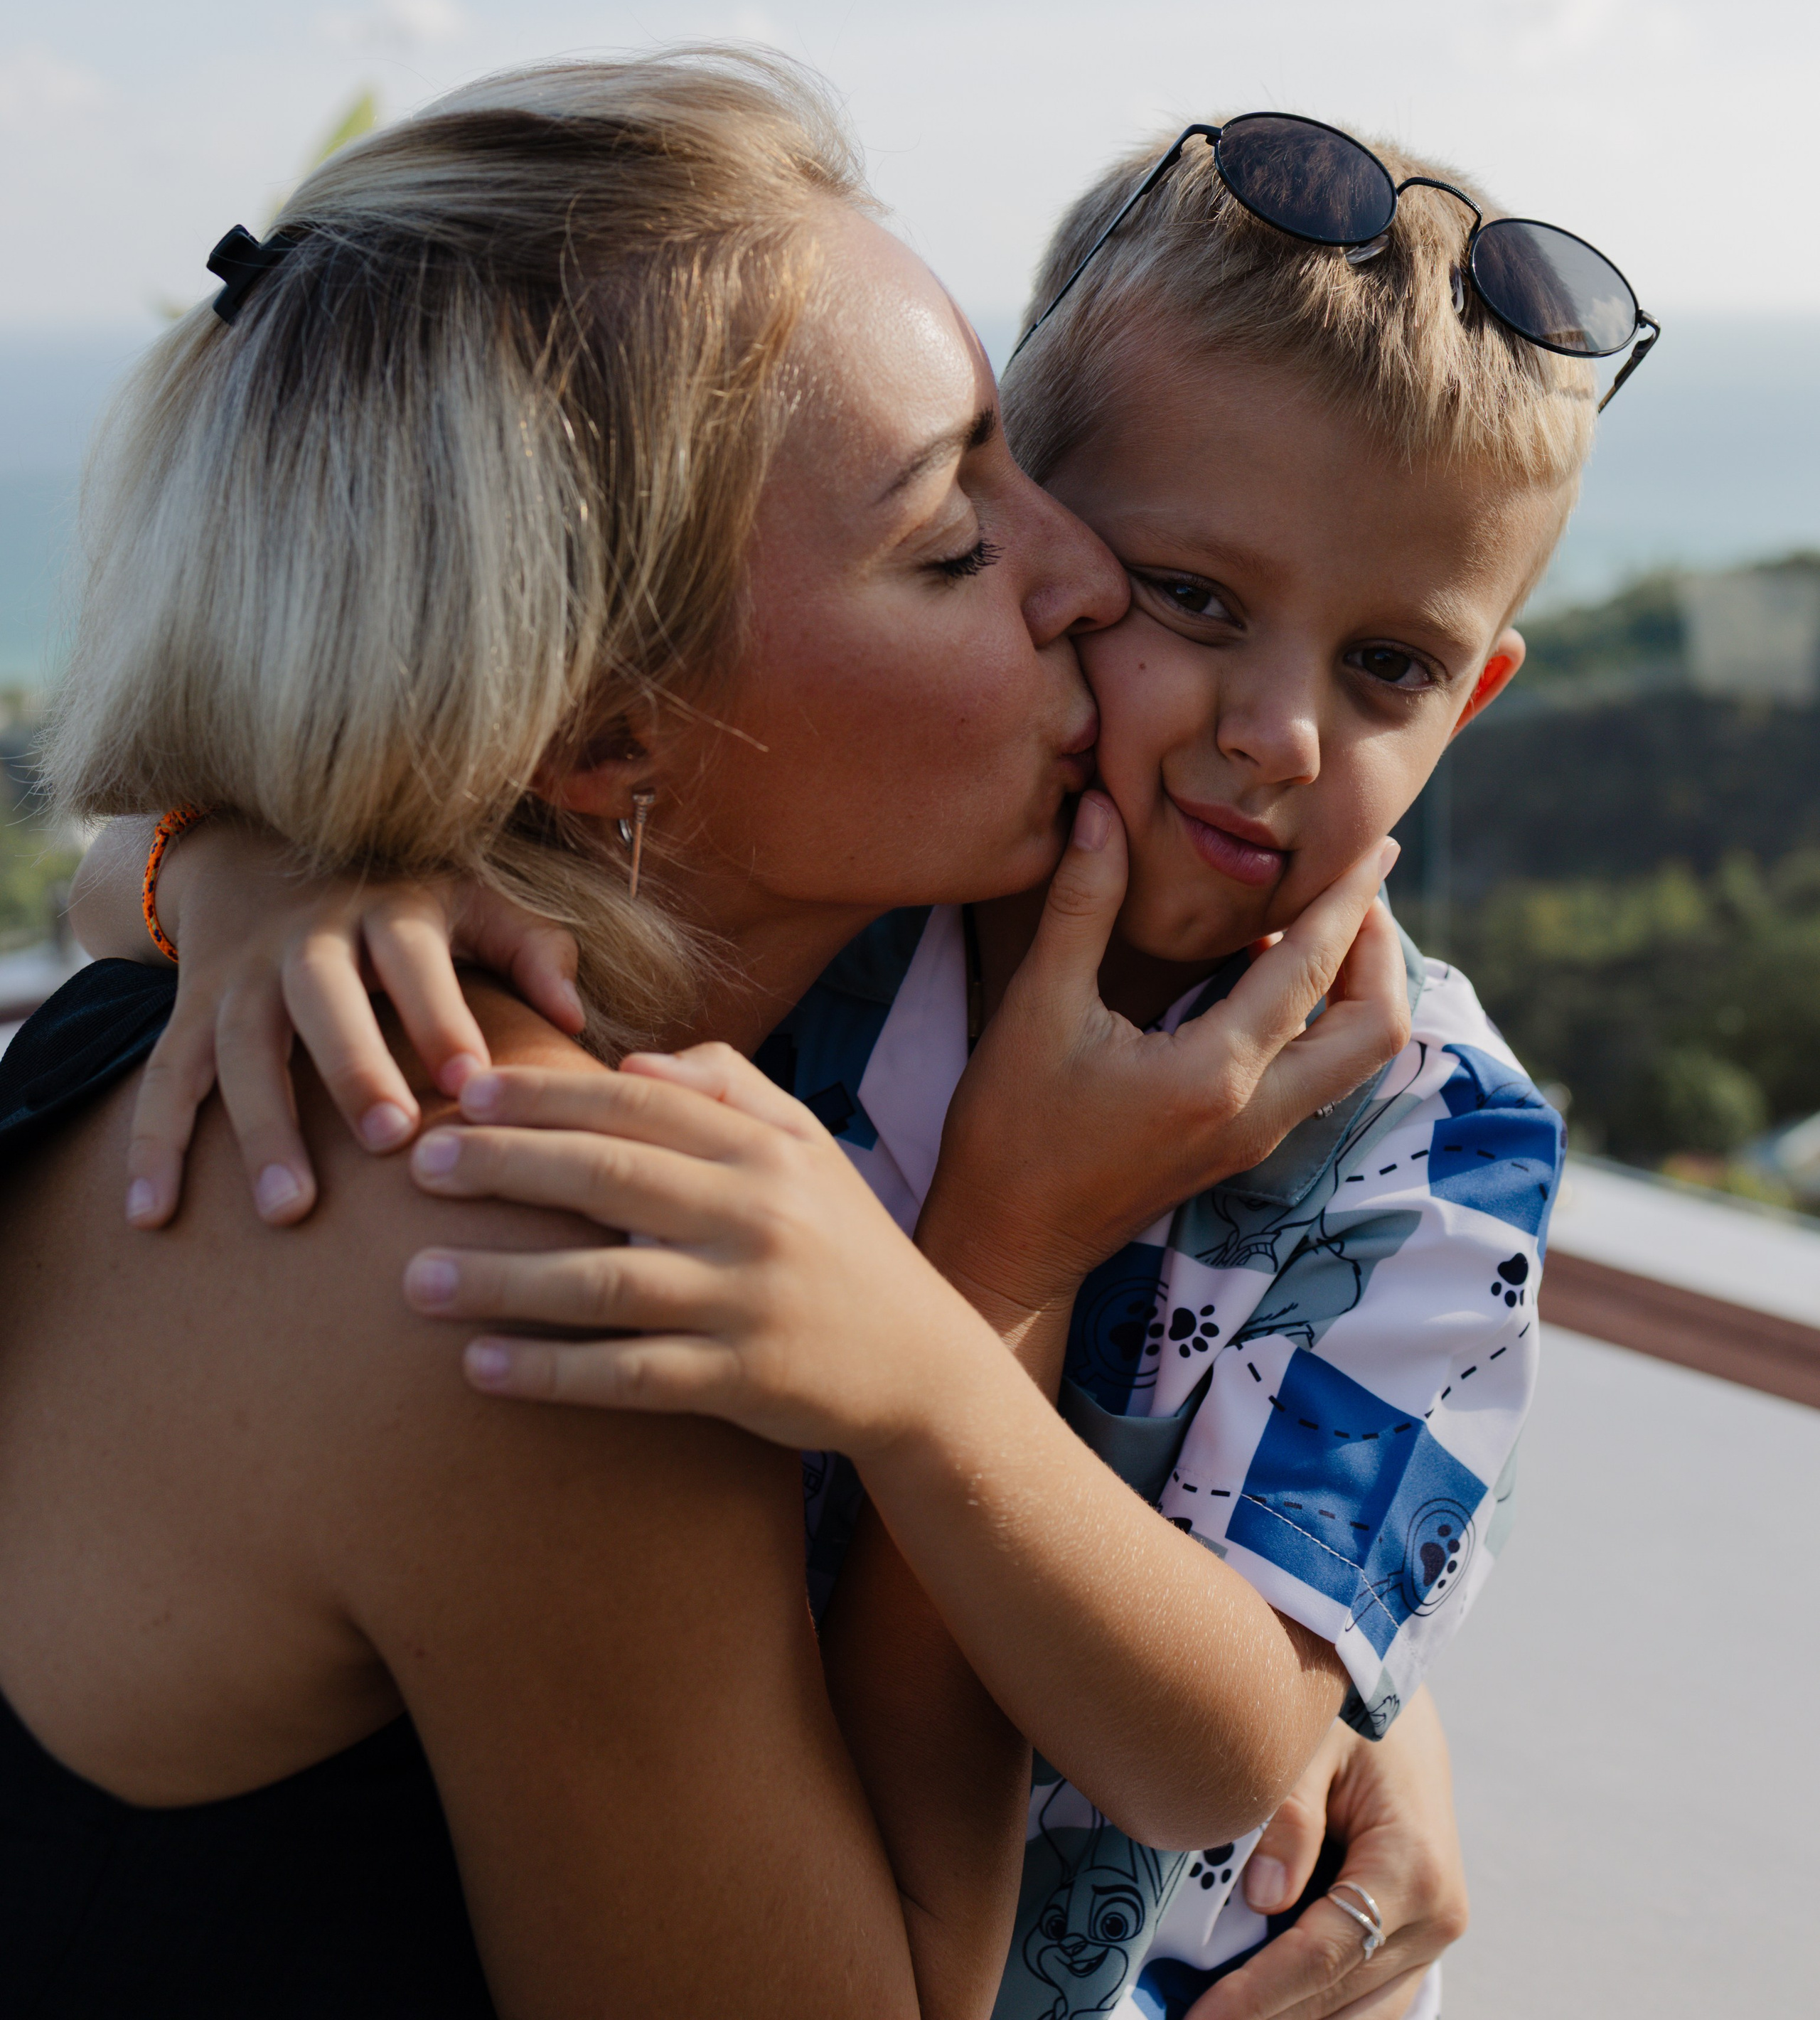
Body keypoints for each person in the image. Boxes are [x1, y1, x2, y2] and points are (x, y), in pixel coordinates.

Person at [80, 100, 1648, 2014]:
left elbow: (1227, 1755)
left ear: (1475, 694)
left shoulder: (1424, 1139)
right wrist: (238, 873)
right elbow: (249, 846)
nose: (1279, 735)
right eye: (1188, 595)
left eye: (1388, 666)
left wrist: (942, 1365)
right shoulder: (845, 917)